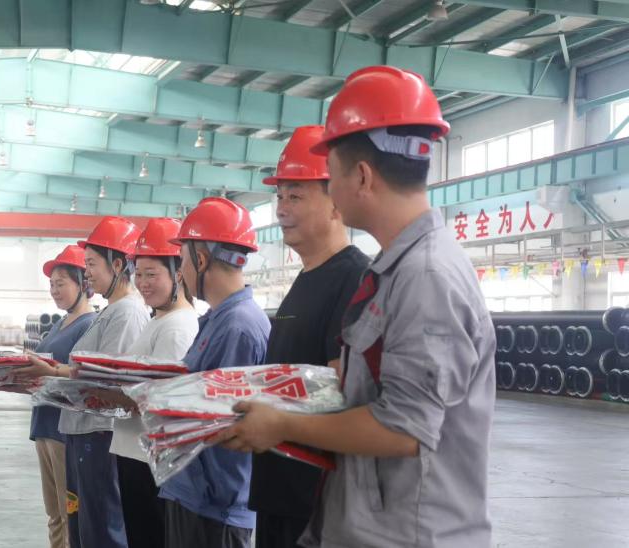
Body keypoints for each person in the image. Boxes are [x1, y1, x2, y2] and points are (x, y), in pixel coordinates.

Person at [214, 66, 496, 548]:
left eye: (332, 172)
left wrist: (282, 423)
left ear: (361, 176)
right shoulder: (394, 271)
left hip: (410, 535)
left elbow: (405, 429)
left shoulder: (425, 276)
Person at [245, 126, 370, 548]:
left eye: (295, 196)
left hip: (315, 505)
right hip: (278, 492)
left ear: (336, 199)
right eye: (279, 196)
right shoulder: (306, 278)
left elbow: (343, 392)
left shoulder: (354, 279)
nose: (281, 209)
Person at [19, 216, 150, 548]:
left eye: (91, 264)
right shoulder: (111, 311)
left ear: (118, 264)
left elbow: (108, 382)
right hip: (82, 433)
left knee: (101, 529)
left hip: (99, 435)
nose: (88, 271)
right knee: (84, 528)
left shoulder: (127, 313)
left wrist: (51, 375)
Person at [157, 198, 271, 548]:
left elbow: (219, 418)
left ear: (202, 259)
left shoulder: (237, 327)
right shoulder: (220, 320)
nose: (181, 272)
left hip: (213, 507)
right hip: (196, 493)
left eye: (182, 260)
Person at [109, 218, 199, 548]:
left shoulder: (177, 327)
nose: (143, 283)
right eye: (139, 273)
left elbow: (159, 399)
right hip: (135, 453)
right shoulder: (159, 319)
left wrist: (102, 394)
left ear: (178, 273)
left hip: (150, 459)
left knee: (150, 537)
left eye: (152, 274)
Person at [32, 245, 98, 548]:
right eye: (51, 285)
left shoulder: (89, 325)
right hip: (44, 423)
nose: (54, 291)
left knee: (69, 511)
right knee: (54, 513)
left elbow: (80, 377)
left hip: (64, 429)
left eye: (61, 284)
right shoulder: (61, 322)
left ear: (83, 284)